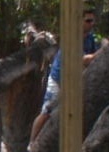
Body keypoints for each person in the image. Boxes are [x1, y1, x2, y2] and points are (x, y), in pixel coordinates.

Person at [30, 10, 100, 140]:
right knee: (47, 112)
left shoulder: (90, 38)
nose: (92, 24)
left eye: (93, 21)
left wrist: (105, 44)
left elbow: (96, 54)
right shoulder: (72, 38)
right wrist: (103, 49)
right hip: (58, 80)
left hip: (73, 83)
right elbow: (84, 60)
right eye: (88, 21)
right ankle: (32, 142)